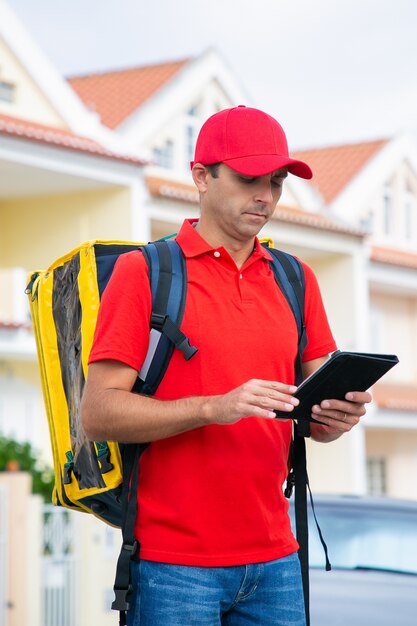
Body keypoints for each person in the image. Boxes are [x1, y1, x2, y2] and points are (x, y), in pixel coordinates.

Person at [81, 105, 371, 626]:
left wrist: (336, 418)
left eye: (276, 182)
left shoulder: (295, 278)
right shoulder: (144, 273)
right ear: (201, 176)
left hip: (276, 559)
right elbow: (98, 413)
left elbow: (311, 418)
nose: (265, 196)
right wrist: (216, 406)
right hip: (174, 566)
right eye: (247, 178)